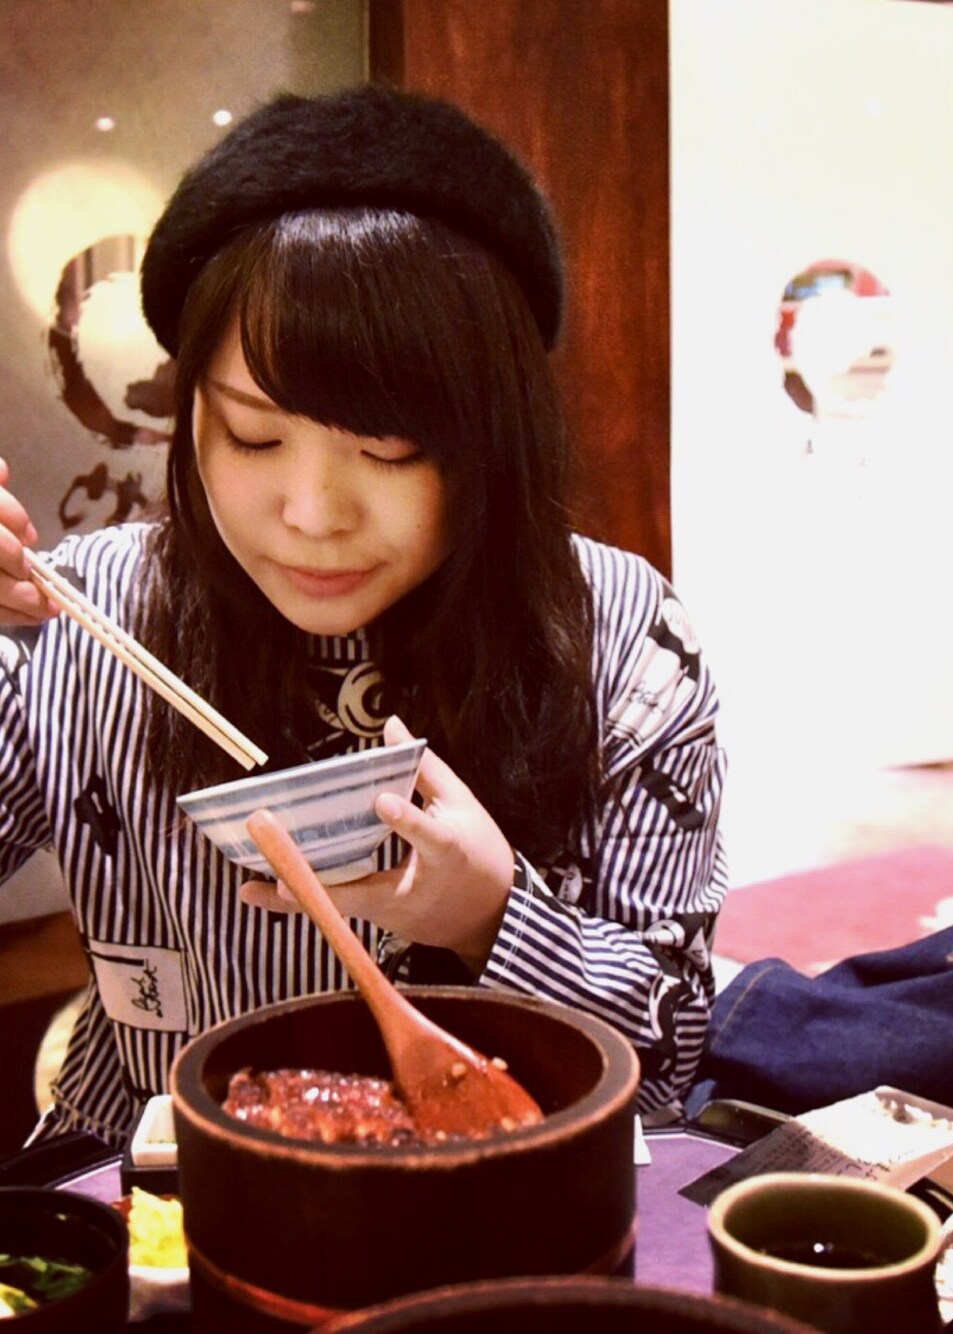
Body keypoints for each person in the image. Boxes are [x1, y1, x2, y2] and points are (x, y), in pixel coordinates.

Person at [0, 84, 727, 1149]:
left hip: (505, 1196)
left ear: (494, 437)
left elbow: (672, 1053)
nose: (311, 514)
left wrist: (488, 914)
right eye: (253, 437)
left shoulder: (622, 637)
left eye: (388, 449)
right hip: (154, 1197)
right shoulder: (85, 615)